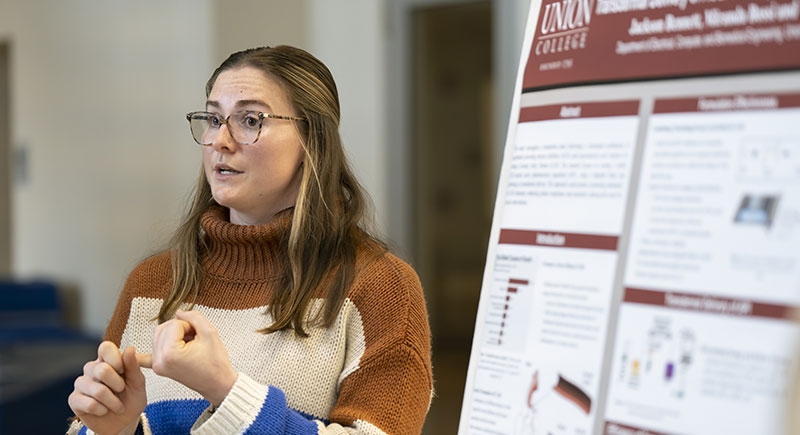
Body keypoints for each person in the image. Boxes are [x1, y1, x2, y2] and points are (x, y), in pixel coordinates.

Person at [67, 45, 433, 435]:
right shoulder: (150, 282)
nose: (219, 141)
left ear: (313, 141)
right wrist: (115, 429)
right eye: (213, 118)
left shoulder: (382, 286)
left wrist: (226, 391)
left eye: (250, 119)